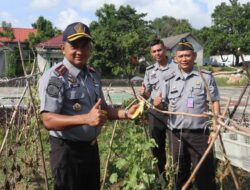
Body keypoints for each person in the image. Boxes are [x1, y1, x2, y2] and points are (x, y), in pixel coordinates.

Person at [38, 22, 138, 190]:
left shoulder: (92, 75)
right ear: (63, 48)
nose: (80, 51)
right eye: (74, 46)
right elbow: (48, 120)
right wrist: (86, 118)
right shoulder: (55, 77)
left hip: (91, 150)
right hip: (67, 152)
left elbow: (103, 107)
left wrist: (127, 113)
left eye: (84, 46)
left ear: (90, 49)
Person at [154, 38, 220, 190]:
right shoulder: (168, 79)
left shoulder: (205, 77)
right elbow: (163, 106)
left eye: (188, 55)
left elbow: (215, 101)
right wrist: (158, 104)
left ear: (194, 56)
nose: (184, 59)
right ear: (175, 58)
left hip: (201, 135)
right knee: (180, 175)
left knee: (205, 176)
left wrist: (215, 127)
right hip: (176, 134)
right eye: (181, 56)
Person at [140, 39, 176, 178]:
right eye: (154, 51)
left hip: (173, 112)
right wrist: (143, 93)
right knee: (157, 147)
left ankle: (177, 177)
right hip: (156, 113)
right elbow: (147, 93)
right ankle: (161, 178)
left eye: (159, 50)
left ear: (165, 49)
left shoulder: (177, 67)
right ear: (151, 53)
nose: (157, 53)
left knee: (175, 148)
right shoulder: (150, 71)